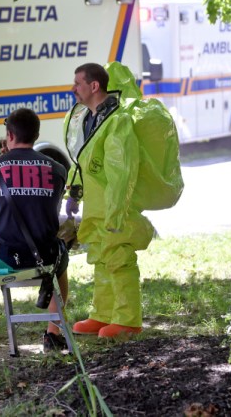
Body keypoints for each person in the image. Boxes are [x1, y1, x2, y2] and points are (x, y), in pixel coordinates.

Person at [0, 108, 69, 354]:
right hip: (44, 256)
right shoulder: (58, 169)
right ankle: (52, 333)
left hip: (2, 256)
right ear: (36, 134)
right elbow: (50, 214)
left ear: (9, 135)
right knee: (62, 270)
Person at [64, 62, 155, 339]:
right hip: (96, 204)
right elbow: (83, 159)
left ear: (94, 86)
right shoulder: (89, 118)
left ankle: (128, 319)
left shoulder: (117, 120)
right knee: (101, 258)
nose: (73, 89)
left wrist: (117, 211)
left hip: (114, 205)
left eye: (78, 83)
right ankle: (103, 315)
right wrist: (74, 194)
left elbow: (121, 169)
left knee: (119, 258)